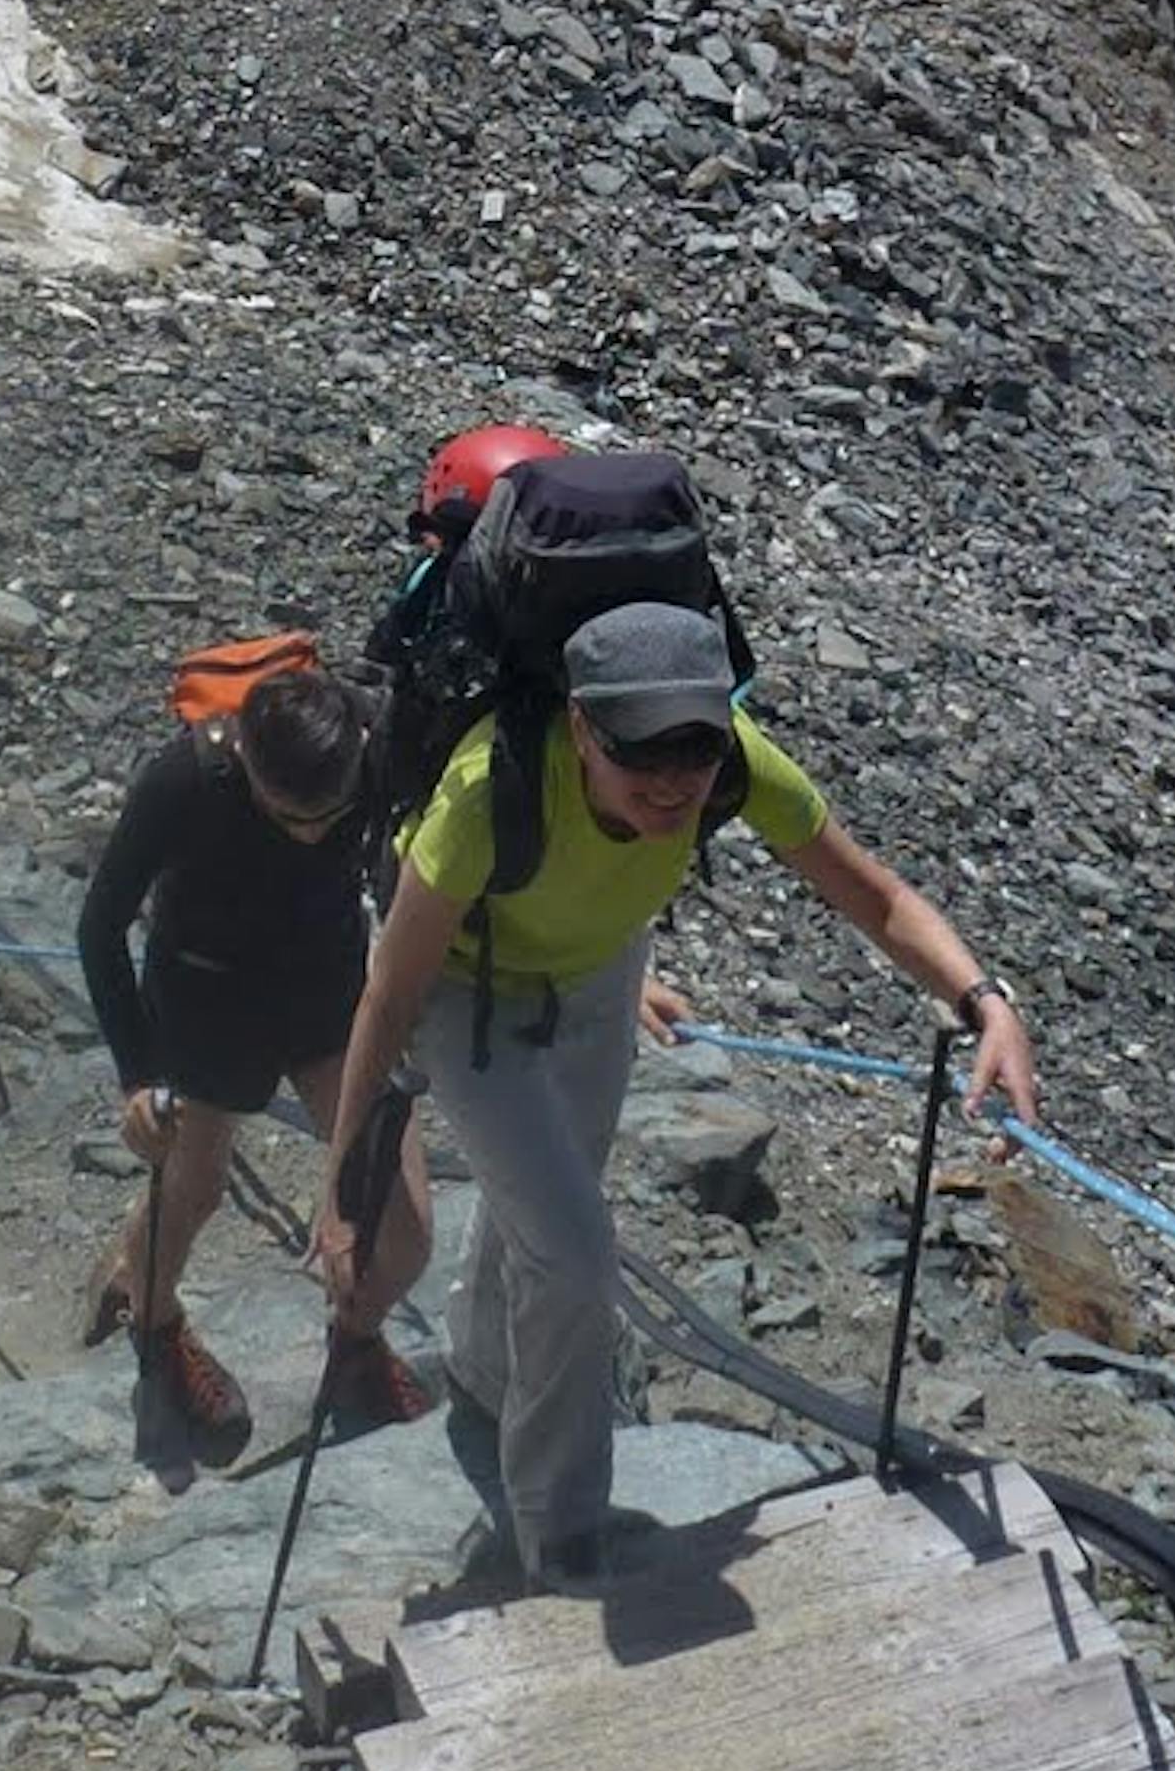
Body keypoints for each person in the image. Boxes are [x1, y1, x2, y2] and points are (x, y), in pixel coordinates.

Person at [316, 601, 1040, 1590]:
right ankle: (561, 1534)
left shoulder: (733, 758)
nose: (672, 781)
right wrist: (343, 1186)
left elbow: (874, 894)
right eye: (640, 754)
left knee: (550, 1209)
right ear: (579, 727)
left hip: (600, 973)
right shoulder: (487, 791)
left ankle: (486, 1372)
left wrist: (983, 999)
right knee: (575, 1252)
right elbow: (391, 988)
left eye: (693, 752)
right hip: (465, 992)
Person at [75, 665, 436, 1470]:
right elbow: (100, 927)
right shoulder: (183, 781)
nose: (310, 833)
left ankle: (356, 1340)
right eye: (286, 815)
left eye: (328, 817)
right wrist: (138, 1078)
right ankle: (156, 1322)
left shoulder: (376, 755)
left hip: (328, 997)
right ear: (244, 762)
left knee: (402, 1221)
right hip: (206, 1002)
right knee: (193, 1189)